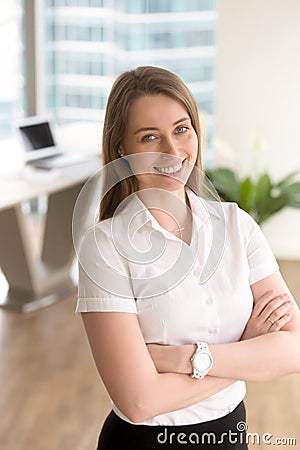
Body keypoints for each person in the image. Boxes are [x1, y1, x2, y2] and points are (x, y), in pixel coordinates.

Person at [75, 66, 300, 450]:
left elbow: (293, 349)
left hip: (232, 434)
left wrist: (186, 358)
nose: (173, 151)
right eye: (150, 137)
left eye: (182, 129)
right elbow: (140, 400)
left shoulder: (237, 225)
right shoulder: (104, 247)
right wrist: (249, 351)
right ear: (121, 150)